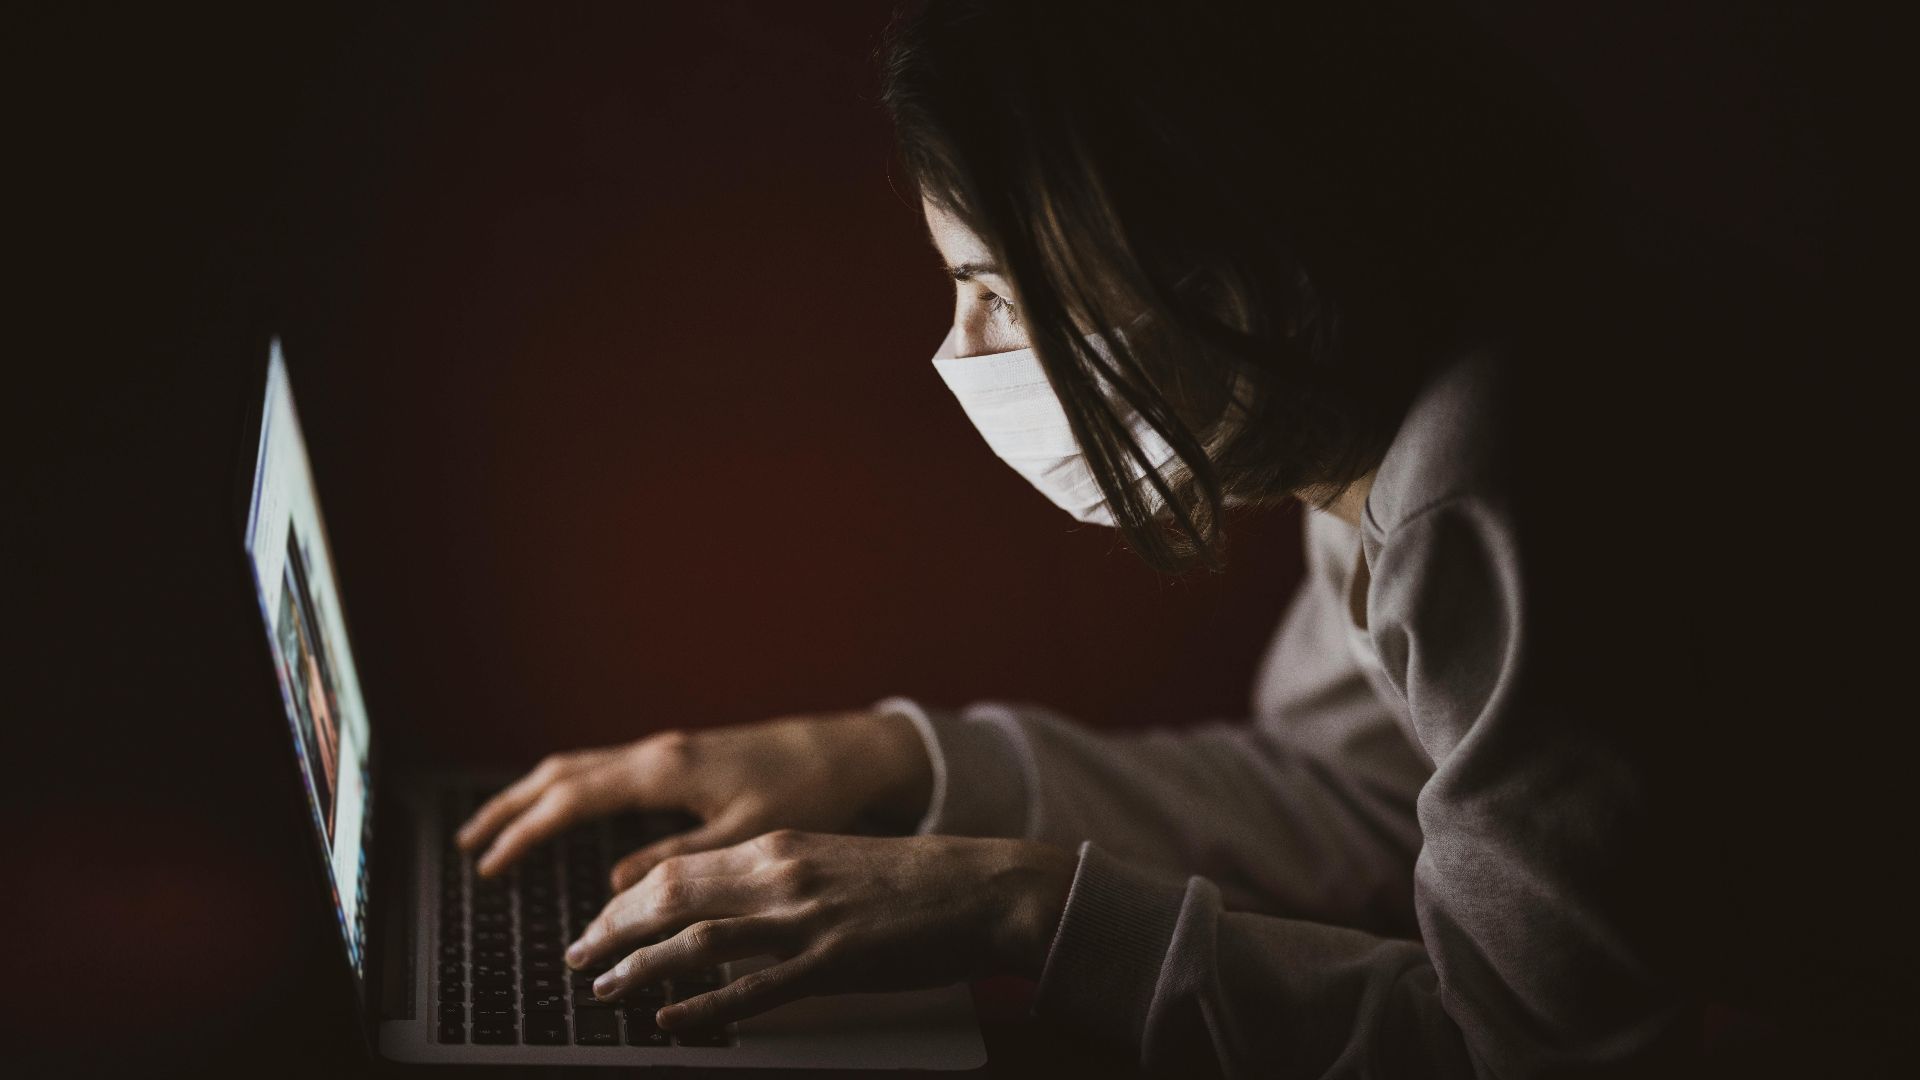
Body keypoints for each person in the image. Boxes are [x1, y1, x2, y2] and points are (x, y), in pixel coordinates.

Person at [458, 2, 1901, 1075]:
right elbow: (1352, 795)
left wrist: (1019, 914)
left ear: (1209, 254)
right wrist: (894, 761)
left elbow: (1524, 1057)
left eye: (996, 294)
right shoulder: (1396, 402)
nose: (960, 352)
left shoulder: (1498, 481)